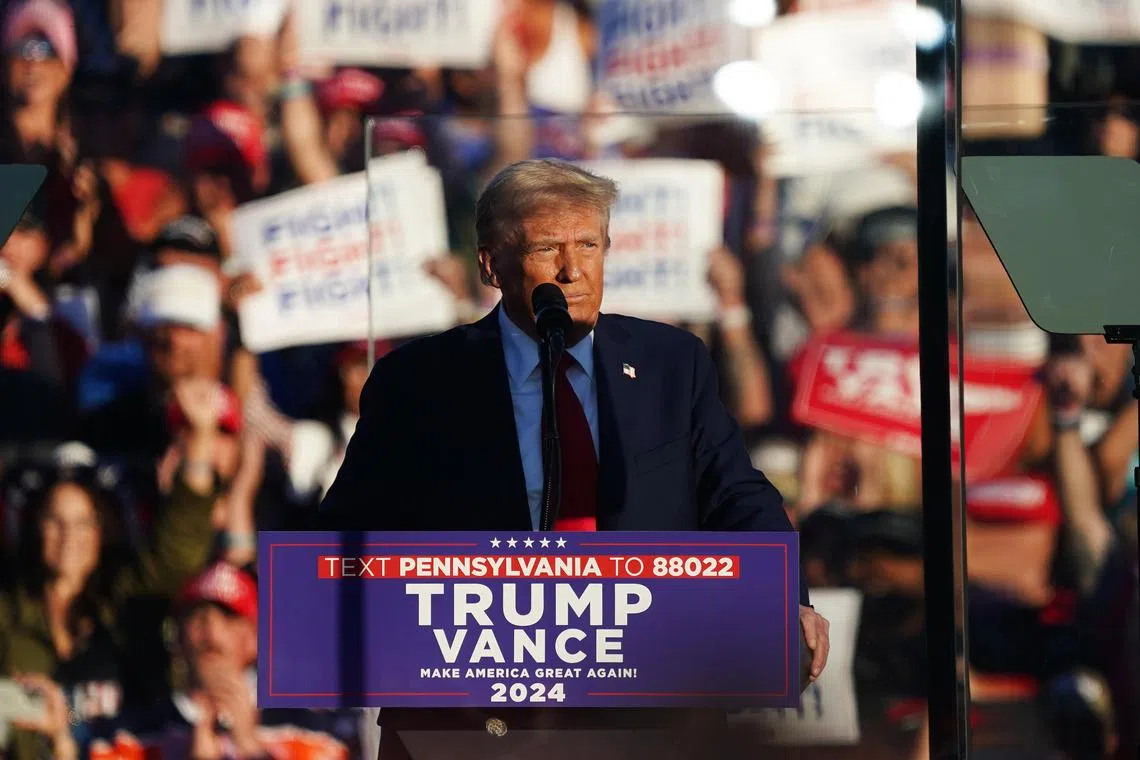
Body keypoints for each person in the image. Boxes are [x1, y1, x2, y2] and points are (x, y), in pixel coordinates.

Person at [320, 159, 829, 754]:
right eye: (546, 248)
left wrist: (785, 593)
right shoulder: (419, 380)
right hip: (473, 721)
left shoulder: (671, 363)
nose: (572, 269)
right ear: (490, 264)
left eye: (589, 244)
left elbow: (737, 493)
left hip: (649, 714)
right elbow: (348, 533)